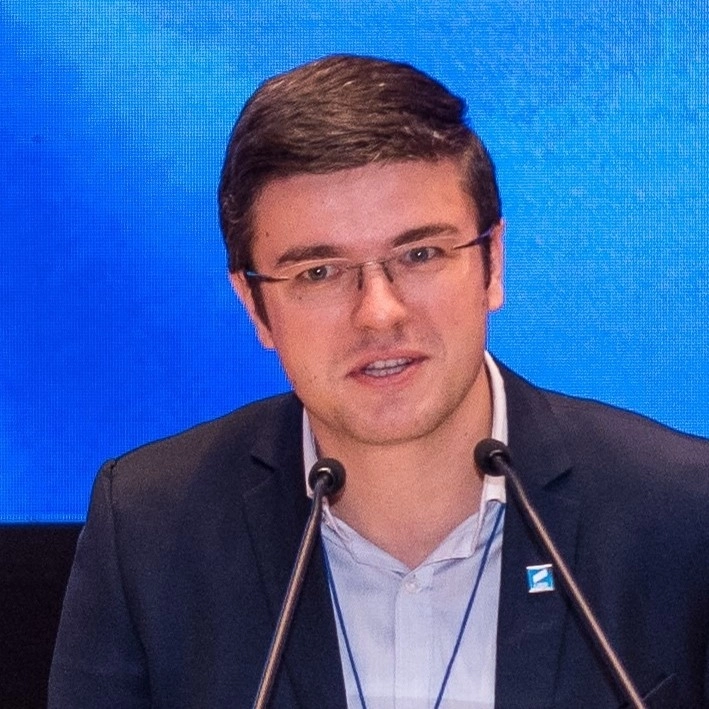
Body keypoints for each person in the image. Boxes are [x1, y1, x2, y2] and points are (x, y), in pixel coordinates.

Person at [49, 55, 708, 708]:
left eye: (420, 254)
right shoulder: (149, 531)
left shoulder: (680, 512)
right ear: (255, 306)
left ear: (492, 262)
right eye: (318, 273)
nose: (379, 312)